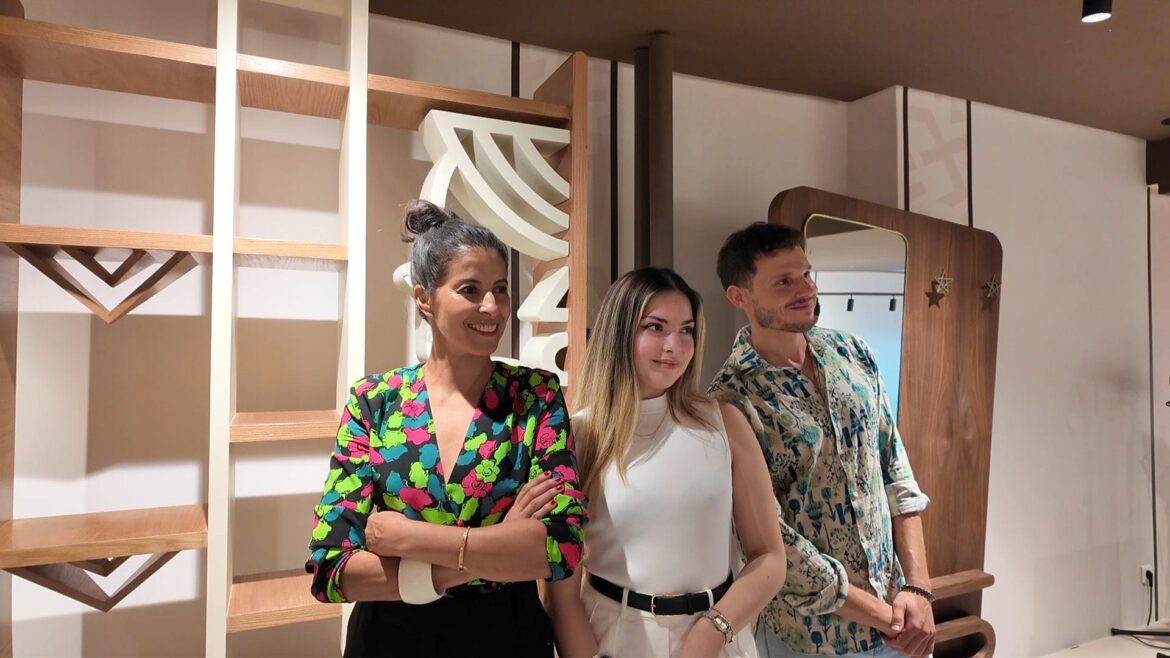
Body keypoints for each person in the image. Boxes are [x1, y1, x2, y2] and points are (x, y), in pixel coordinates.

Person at [304, 200, 588, 658]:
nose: (491, 306)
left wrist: (410, 539)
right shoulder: (376, 400)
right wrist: (496, 546)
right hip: (390, 642)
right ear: (424, 298)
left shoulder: (536, 395)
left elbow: (561, 547)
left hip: (507, 638)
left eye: (500, 289)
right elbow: (332, 569)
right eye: (470, 289)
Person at [707, 222, 936, 658]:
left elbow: (895, 469)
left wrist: (919, 588)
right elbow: (771, 541)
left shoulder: (853, 353)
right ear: (739, 296)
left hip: (900, 618)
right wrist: (882, 615)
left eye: (807, 274)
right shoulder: (731, 400)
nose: (806, 289)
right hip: (811, 638)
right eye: (784, 281)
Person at [545, 267, 787, 658]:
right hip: (614, 638)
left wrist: (713, 629)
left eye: (686, 330)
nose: (674, 345)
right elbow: (561, 593)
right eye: (655, 327)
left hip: (718, 637)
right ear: (620, 332)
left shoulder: (725, 423)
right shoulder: (580, 435)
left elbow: (770, 558)